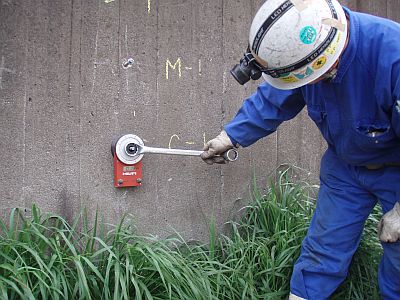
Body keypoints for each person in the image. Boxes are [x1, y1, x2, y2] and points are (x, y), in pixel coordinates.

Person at [200, 0, 400, 299]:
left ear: (324, 63)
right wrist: (230, 136)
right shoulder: (303, 53)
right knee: (323, 249)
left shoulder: (392, 56)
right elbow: (273, 99)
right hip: (346, 167)